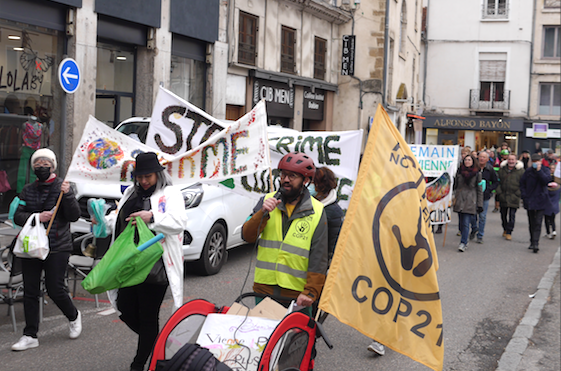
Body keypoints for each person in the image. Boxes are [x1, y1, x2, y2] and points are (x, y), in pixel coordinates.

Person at [104, 152, 188, 371]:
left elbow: (179, 222)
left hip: (155, 266)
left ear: (158, 174)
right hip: (129, 263)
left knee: (148, 315)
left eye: (148, 176)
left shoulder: (170, 193)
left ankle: (139, 364)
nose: (143, 181)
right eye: (140, 176)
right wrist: (106, 219)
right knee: (124, 307)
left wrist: (152, 217)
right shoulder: (132, 193)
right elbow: (121, 220)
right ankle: (156, 341)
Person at [12, 149, 82, 351]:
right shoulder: (27, 189)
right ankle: (30, 334)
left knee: (55, 288)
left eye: (45, 163)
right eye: (37, 164)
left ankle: (74, 315)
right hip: (32, 246)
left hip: (57, 246)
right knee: (30, 290)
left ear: (53, 165)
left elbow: (74, 216)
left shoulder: (63, 187)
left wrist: (68, 195)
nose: (41, 167)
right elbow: (18, 215)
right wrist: (36, 217)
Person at [242, 152, 328, 312]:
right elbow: (247, 236)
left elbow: (319, 257)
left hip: (297, 295)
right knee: (264, 336)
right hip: (264, 290)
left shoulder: (317, 211)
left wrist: (311, 291)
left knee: (297, 336)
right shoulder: (266, 201)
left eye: (292, 176)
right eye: (283, 175)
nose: (286, 180)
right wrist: (262, 213)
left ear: (306, 180)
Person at [309, 167, 344, 261]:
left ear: (321, 185)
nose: (309, 186)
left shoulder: (334, 212)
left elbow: (333, 244)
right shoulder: (306, 204)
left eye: (312, 182)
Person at [520, 153, 551, 253]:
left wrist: (539, 171)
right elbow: (522, 184)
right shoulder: (528, 172)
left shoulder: (545, 170)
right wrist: (524, 195)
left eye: (537, 162)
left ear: (540, 162)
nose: (535, 164)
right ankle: (532, 241)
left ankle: (536, 243)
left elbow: (546, 181)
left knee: (538, 222)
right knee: (531, 222)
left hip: (541, 200)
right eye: (534, 162)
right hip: (529, 199)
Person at [453, 154, 483, 252]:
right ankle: (464, 238)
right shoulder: (459, 171)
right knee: (461, 223)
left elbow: (479, 189)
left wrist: (479, 204)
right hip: (460, 199)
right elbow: (455, 185)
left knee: (466, 223)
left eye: (469, 160)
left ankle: (463, 242)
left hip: (470, 200)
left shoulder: (477, 173)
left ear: (473, 161)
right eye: (466, 160)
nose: (467, 162)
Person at [496, 154, 524, 241]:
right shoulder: (502, 170)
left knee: (512, 215)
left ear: (516, 160)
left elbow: (524, 183)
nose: (511, 161)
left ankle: (509, 232)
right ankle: (505, 228)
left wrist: (519, 193)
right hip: (503, 195)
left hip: (514, 196)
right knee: (503, 215)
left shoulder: (521, 171)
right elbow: (497, 181)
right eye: (509, 159)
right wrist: (499, 192)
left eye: (513, 159)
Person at [475, 151, 498, 243]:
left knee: (482, 216)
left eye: (484, 157)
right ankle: (473, 229)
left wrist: (490, 189)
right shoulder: (474, 168)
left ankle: (480, 235)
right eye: (480, 157)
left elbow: (496, 181)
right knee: (472, 215)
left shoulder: (490, 169)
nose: (482, 159)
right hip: (474, 195)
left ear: (488, 159)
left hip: (485, 196)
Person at [544, 162, 560, 239]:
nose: (551, 170)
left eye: (553, 168)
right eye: (550, 168)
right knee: (550, 217)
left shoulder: (547, 177)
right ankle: (552, 231)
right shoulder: (557, 180)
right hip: (553, 201)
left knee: (548, 218)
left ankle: (550, 232)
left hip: (549, 200)